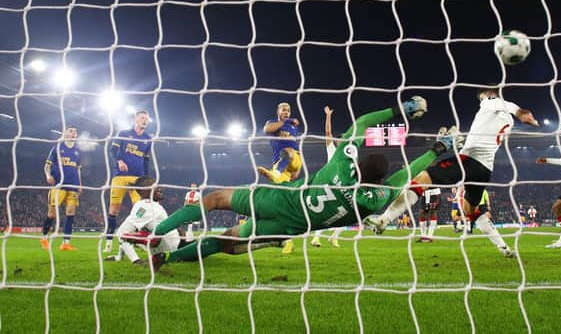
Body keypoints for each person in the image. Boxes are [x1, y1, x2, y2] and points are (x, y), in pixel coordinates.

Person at [126, 97, 456, 271]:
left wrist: (402, 109)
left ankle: (155, 235)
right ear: (381, 179)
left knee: (212, 200)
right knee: (226, 241)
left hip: (279, 200)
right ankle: (168, 259)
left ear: (357, 163)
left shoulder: (341, 163)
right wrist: (439, 148)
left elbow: (363, 123)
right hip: (289, 229)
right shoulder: (376, 198)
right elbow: (409, 172)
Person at [365, 87, 538, 257]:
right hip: (485, 169)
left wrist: (521, 112)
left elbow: (509, 106)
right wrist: (461, 141)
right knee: (471, 211)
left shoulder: (490, 102)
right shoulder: (507, 121)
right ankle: (504, 248)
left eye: (482, 97)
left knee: (421, 179)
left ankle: (384, 219)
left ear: (489, 95)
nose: (481, 101)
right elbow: (486, 135)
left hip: (469, 161)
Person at [104, 110, 152, 253]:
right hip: (120, 177)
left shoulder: (148, 139)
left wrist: (147, 179)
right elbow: (112, 151)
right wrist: (119, 160)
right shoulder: (123, 134)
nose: (145, 120)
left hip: (138, 179)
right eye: (142, 118)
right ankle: (108, 242)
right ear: (136, 119)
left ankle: (137, 241)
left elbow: (146, 160)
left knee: (140, 210)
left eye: (146, 119)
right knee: (114, 210)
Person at [105, 177, 182, 264]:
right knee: (133, 235)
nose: (160, 188)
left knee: (128, 235)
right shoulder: (145, 207)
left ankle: (137, 260)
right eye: (155, 186)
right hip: (172, 246)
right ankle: (136, 258)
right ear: (143, 192)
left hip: (167, 249)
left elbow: (121, 234)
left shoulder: (143, 206)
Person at [40, 125, 82, 251]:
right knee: (51, 214)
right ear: (65, 133)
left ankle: (66, 242)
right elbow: (47, 165)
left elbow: (78, 169)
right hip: (58, 186)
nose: (73, 133)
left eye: (75, 132)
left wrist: (80, 184)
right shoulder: (57, 148)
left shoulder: (77, 151)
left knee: (71, 213)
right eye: (71, 131)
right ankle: (44, 237)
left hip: (73, 185)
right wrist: (48, 175)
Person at [311, 106, 346, 248]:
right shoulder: (332, 149)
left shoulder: (348, 156)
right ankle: (316, 238)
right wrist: (328, 115)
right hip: (327, 184)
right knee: (323, 212)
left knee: (348, 213)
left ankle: (334, 238)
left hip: (342, 186)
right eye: (342, 139)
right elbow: (328, 132)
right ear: (337, 141)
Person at [258, 102, 302, 184]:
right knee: (279, 186)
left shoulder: (293, 127)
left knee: (288, 150)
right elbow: (267, 129)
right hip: (279, 162)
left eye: (288, 111)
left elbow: (296, 146)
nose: (287, 112)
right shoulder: (272, 122)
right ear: (278, 112)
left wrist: (298, 169)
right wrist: (287, 120)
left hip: (294, 158)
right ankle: (275, 174)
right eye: (284, 110)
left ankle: (276, 173)